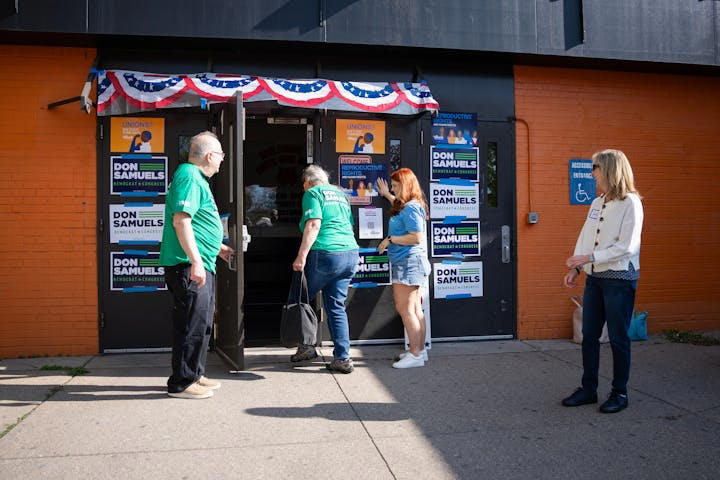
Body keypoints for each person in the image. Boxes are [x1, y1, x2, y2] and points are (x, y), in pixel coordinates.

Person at [562, 149, 644, 413]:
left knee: (619, 338)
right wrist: (578, 268)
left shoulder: (631, 203)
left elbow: (628, 247)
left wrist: (591, 256)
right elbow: (586, 236)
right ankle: (589, 389)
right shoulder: (597, 202)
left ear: (609, 168)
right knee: (589, 336)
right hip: (595, 277)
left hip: (619, 278)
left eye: (595, 167)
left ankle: (620, 393)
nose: (592, 173)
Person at [159, 131, 234, 399]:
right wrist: (196, 261)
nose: (222, 161)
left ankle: (194, 375)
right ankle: (181, 383)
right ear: (210, 156)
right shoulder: (189, 176)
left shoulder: (195, 178)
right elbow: (182, 220)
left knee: (200, 324)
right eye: (221, 155)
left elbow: (198, 223)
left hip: (200, 262)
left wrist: (219, 248)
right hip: (187, 266)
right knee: (190, 324)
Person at [291, 165, 360, 374]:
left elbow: (313, 225)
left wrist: (301, 257)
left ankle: (306, 348)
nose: (303, 188)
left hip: (325, 253)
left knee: (300, 299)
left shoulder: (313, 193)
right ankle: (342, 357)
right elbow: (349, 224)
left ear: (309, 181)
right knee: (336, 306)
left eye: (303, 183)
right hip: (349, 253)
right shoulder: (341, 194)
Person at [376, 169, 431, 368]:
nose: (393, 189)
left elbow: (416, 237)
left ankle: (415, 355)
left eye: (396, 186)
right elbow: (400, 207)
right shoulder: (409, 205)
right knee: (415, 309)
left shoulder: (410, 208)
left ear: (406, 186)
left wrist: (390, 240)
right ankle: (420, 351)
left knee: (406, 309)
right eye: (392, 186)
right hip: (411, 263)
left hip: (408, 263)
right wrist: (387, 195)